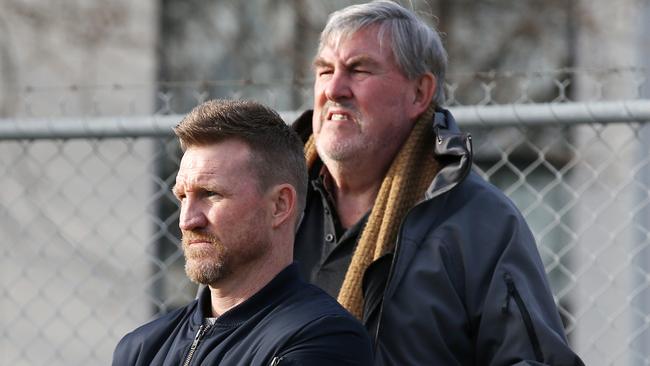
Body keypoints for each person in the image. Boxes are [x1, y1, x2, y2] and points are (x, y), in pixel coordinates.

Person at [292, 1, 585, 365]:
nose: (334, 89)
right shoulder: (271, 203)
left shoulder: (478, 221)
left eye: (358, 70)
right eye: (325, 71)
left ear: (419, 93)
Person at [112, 99, 373, 365]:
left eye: (210, 194)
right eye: (182, 197)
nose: (187, 220)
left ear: (279, 205)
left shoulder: (324, 338)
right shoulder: (142, 348)